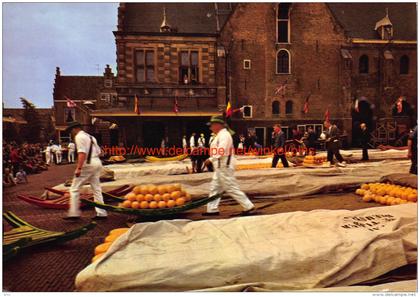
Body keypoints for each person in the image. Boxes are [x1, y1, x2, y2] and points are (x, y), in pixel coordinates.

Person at [203, 115, 255, 216]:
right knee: (215, 187)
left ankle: (248, 205)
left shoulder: (224, 135)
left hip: (224, 165)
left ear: (218, 125)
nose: (210, 128)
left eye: (212, 125)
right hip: (220, 166)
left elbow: (222, 150)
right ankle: (212, 209)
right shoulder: (219, 135)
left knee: (230, 186)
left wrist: (210, 159)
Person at [64, 121, 108, 220]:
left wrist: (79, 168)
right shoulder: (91, 137)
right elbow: (100, 152)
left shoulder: (79, 137)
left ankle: (74, 213)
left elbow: (82, 153)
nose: (71, 133)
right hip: (97, 162)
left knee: (74, 188)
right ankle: (102, 213)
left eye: (71, 130)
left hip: (88, 164)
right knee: (96, 189)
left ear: (75, 129)